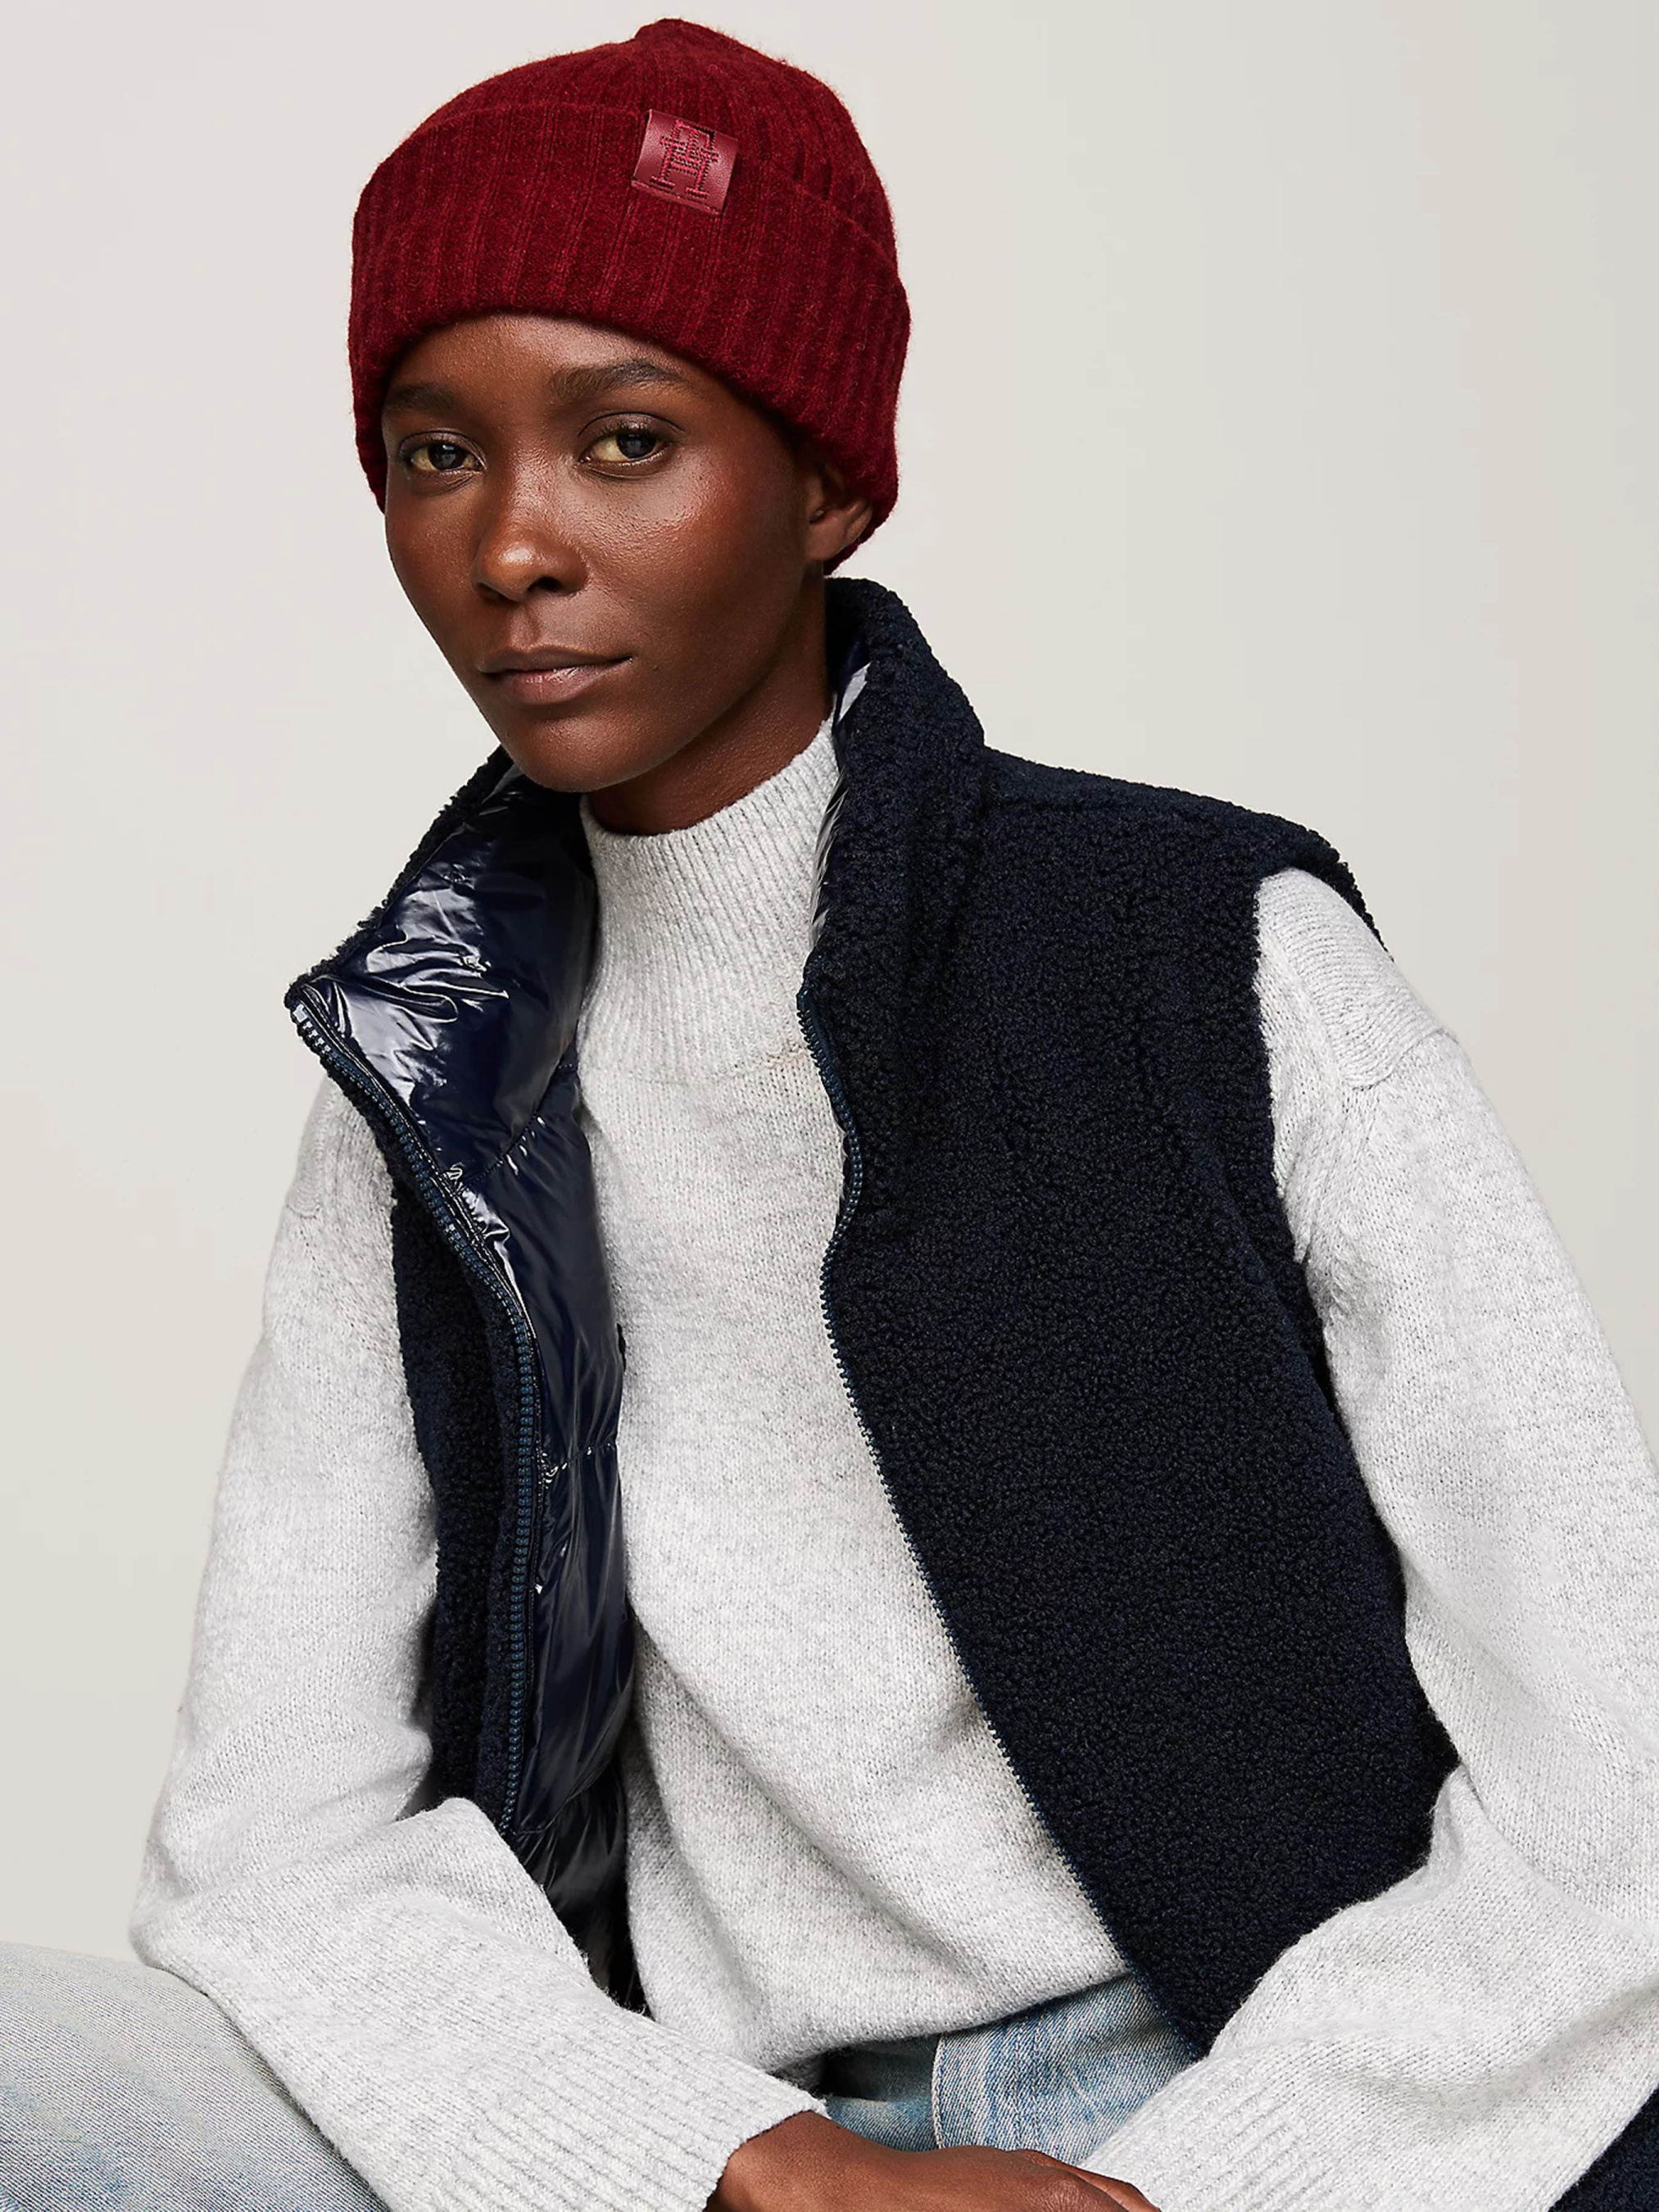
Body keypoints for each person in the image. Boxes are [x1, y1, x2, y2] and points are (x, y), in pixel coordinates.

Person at [4, 18, 1657, 2212]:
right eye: (433, 454)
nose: (512, 544)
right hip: (709, 2136)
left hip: (1253, 2097)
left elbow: (1618, 1771)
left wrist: (1203, 2189)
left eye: (624, 440)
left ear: (825, 483)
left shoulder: (1195, 955)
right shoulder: (432, 1066)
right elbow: (266, 1849)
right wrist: (727, 2157)